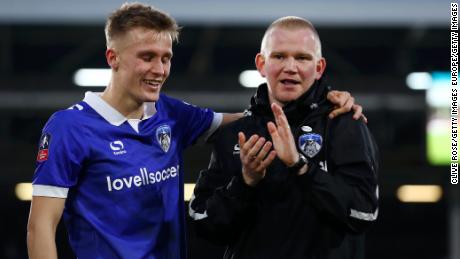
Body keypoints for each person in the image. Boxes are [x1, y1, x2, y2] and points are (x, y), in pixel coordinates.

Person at [26, 3, 364, 259]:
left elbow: (251, 120)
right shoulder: (69, 128)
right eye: (146, 57)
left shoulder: (170, 113)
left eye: (165, 58)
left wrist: (326, 104)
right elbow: (40, 225)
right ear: (112, 57)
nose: (159, 70)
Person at [189, 16, 379, 259]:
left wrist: (301, 167)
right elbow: (203, 223)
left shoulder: (344, 124)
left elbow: (363, 213)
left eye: (302, 57)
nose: (291, 67)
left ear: (319, 68)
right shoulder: (237, 134)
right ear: (261, 63)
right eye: (279, 56)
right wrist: (245, 182)